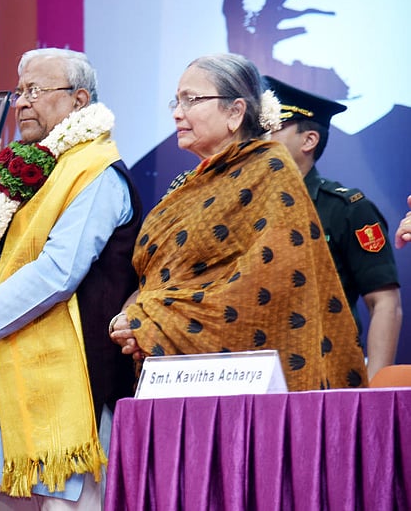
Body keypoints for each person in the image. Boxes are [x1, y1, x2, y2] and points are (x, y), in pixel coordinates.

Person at [0, 48, 142, 509]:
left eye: (35, 90)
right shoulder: (29, 172)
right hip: (7, 376)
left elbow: (57, 273)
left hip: (71, 386)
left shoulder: (95, 171)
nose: (20, 102)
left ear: (78, 100)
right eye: (20, 91)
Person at [110, 53, 368, 391]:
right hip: (168, 372)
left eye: (192, 99)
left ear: (235, 112)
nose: (177, 112)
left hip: (243, 386)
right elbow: (160, 279)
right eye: (176, 100)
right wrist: (134, 317)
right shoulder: (186, 185)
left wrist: (156, 318)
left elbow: (268, 288)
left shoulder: (269, 170)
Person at [266, 75, 402, 381]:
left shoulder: (347, 208)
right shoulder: (245, 208)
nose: (261, 139)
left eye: (273, 129)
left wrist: (375, 387)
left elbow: (384, 303)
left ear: (308, 140)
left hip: (326, 369)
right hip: (255, 371)